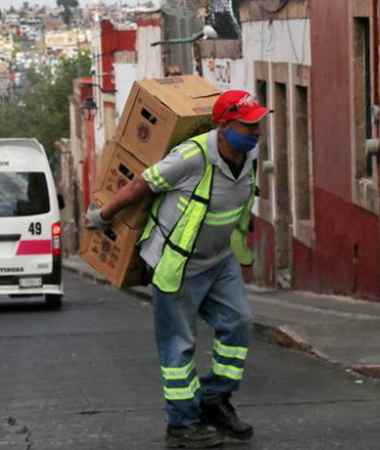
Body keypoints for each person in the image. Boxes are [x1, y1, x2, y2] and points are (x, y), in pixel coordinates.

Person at [85, 90, 268, 448]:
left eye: (257, 124)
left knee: (239, 324)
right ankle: (181, 424)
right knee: (178, 347)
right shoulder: (192, 156)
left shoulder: (247, 157)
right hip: (178, 265)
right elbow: (141, 184)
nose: (255, 131)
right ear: (223, 125)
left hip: (219, 261)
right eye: (247, 125)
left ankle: (214, 400)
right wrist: (102, 215)